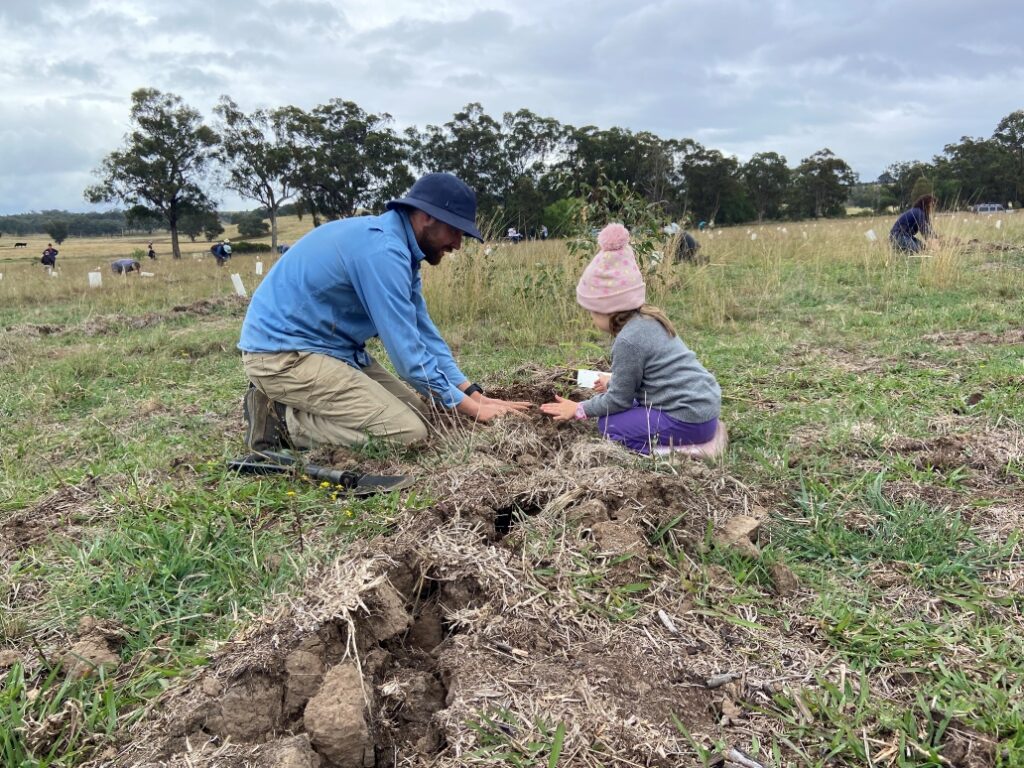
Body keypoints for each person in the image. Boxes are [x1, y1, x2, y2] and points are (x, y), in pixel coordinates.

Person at [238, 172, 531, 452]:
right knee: (407, 434)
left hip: (330, 352)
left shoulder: (402, 250)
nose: (457, 244)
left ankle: (299, 409)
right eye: (454, 230)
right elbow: (409, 360)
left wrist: (474, 394)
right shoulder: (383, 252)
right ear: (426, 216)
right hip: (282, 357)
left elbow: (424, 334)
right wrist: (476, 411)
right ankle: (281, 420)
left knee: (421, 413)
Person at [540, 223, 724, 456]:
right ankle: (692, 440)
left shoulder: (628, 341)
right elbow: (651, 377)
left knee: (609, 425)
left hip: (688, 421)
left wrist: (578, 408)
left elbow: (619, 401)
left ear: (609, 309)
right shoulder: (649, 318)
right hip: (703, 411)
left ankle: (679, 453)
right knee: (627, 409)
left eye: (593, 312)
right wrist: (614, 381)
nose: (592, 319)